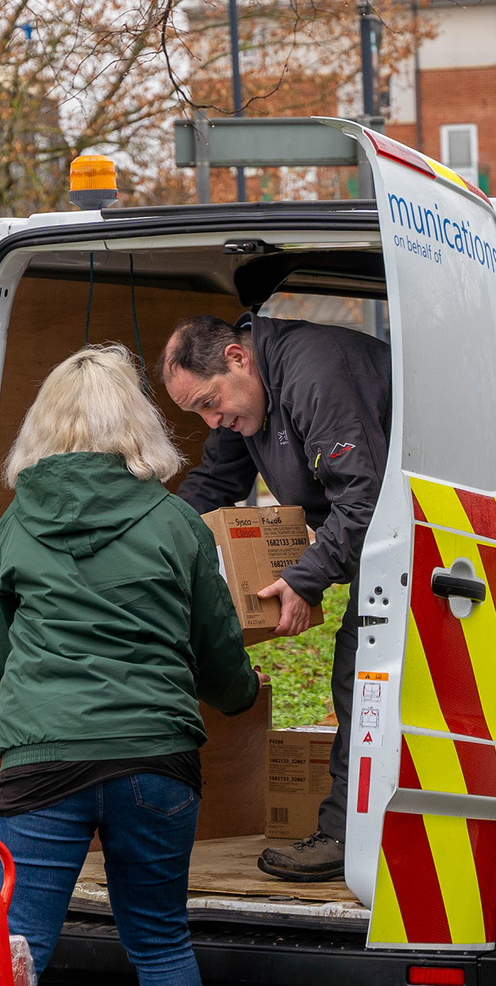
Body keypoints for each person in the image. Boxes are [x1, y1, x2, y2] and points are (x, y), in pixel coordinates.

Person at [0, 343, 257, 986]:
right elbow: (219, 658)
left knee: (12, 949)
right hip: (156, 763)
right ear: (138, 425)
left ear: (47, 425)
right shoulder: (174, 523)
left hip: (44, 762)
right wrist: (243, 692)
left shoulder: (16, 523)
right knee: (160, 938)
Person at [160, 312, 390, 883]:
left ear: (238, 359)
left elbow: (366, 498)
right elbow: (214, 486)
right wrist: (151, 540)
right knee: (361, 667)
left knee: (363, 668)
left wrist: (306, 577)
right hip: (381, 533)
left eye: (212, 403)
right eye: (200, 414)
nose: (215, 421)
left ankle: (346, 835)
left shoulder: (311, 372)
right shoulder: (246, 402)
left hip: (425, 527)